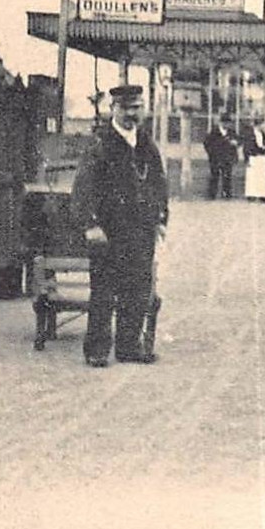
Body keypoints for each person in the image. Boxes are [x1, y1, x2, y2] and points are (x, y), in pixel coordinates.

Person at [72, 84, 168, 368]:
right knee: (104, 290)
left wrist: (161, 218)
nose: (131, 114)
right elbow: (83, 187)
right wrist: (90, 224)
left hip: (141, 231)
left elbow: (159, 183)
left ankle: (128, 346)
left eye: (136, 108)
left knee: (137, 288)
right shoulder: (100, 143)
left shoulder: (146, 144)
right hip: (108, 231)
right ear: (113, 109)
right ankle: (97, 349)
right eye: (126, 108)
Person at [202, 118, 238, 200]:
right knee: (214, 175)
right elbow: (207, 143)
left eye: (228, 123)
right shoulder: (214, 132)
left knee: (227, 176)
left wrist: (235, 143)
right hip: (216, 158)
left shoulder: (231, 132)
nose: (227, 125)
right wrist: (212, 153)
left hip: (227, 158)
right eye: (225, 123)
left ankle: (226, 194)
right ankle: (212, 194)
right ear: (221, 123)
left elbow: (238, 141)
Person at [242, 119, 265, 200]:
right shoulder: (250, 134)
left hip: (261, 156)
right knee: (252, 176)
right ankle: (251, 194)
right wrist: (246, 159)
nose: (263, 126)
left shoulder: (262, 134)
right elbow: (246, 147)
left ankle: (262, 194)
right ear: (258, 125)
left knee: (261, 176)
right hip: (253, 156)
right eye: (262, 125)